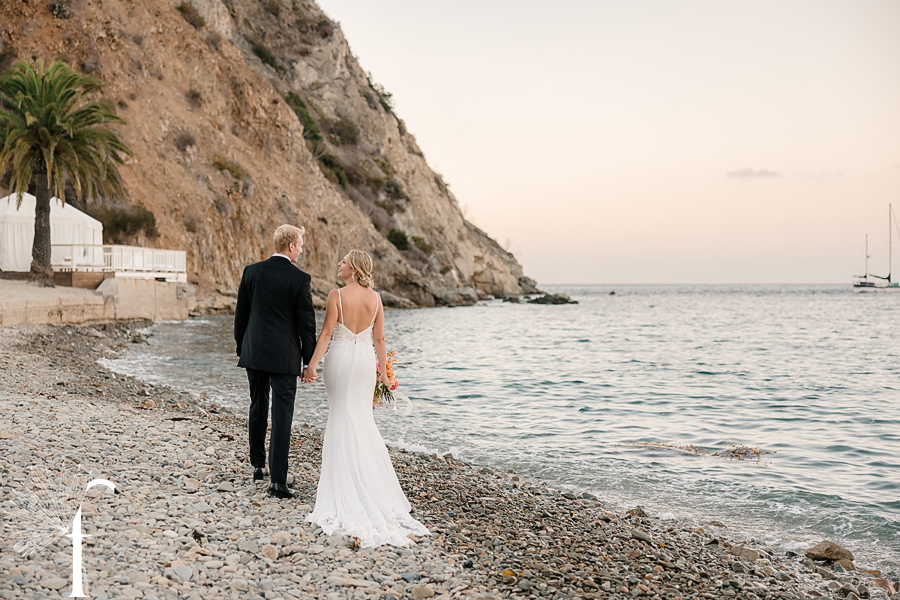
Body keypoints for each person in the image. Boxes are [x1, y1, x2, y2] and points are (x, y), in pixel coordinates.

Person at [302, 250, 429, 546]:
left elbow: (326, 334)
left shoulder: (336, 295)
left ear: (355, 269)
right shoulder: (376, 299)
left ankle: (345, 485)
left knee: (340, 416)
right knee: (361, 419)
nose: (339, 264)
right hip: (364, 364)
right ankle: (371, 484)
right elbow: (379, 339)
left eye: (344, 262)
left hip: (339, 359)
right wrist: (384, 374)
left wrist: (311, 365)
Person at [234, 224, 316, 499]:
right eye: (300, 245)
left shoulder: (252, 271)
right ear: (291, 246)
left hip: (254, 351)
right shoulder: (299, 278)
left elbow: (241, 315)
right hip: (285, 356)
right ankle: (278, 482)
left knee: (258, 405)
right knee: (282, 415)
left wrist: (242, 347)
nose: (301, 250)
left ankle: (258, 465)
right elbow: (306, 325)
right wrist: (308, 361)